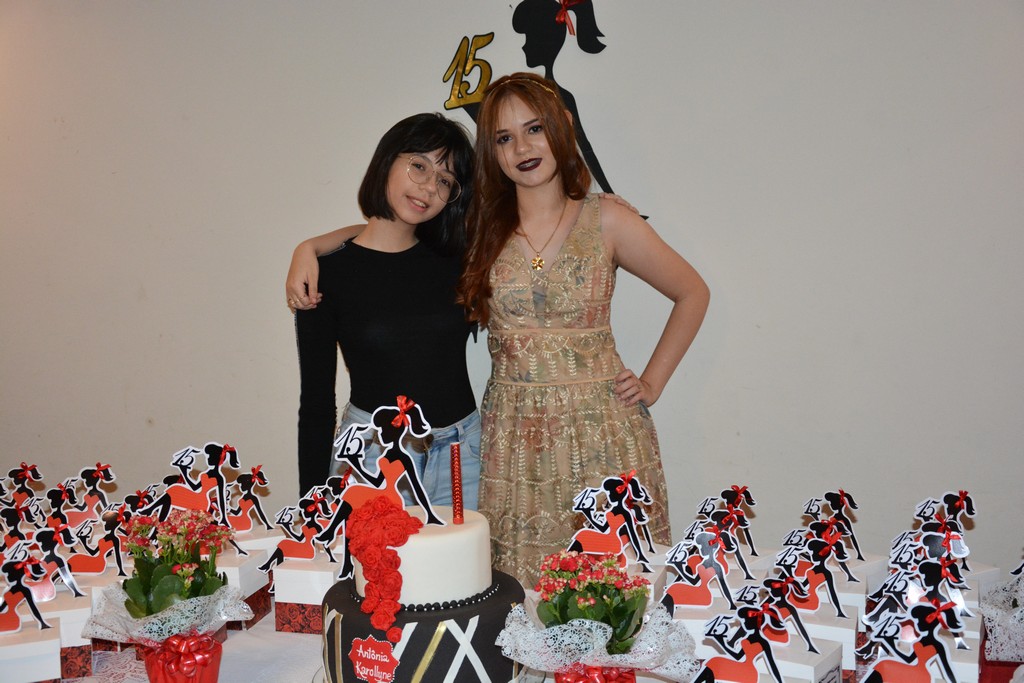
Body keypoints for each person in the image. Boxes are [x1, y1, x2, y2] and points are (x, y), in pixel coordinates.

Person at [457, 72, 709, 585]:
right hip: (515, 442)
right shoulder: (478, 226)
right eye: (504, 138)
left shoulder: (607, 219)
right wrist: (312, 249)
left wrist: (653, 382)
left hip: (603, 431)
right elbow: (396, 227)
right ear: (492, 152)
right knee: (524, 596)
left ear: (562, 127)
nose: (522, 148)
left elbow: (692, 292)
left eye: (534, 129)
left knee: (612, 591)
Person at [288, 113, 482, 510]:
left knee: (468, 554)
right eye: (419, 166)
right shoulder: (324, 273)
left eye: (445, 180)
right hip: (372, 457)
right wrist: (312, 506)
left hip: (462, 456)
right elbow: (317, 404)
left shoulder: (457, 260)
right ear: (387, 160)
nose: (429, 187)